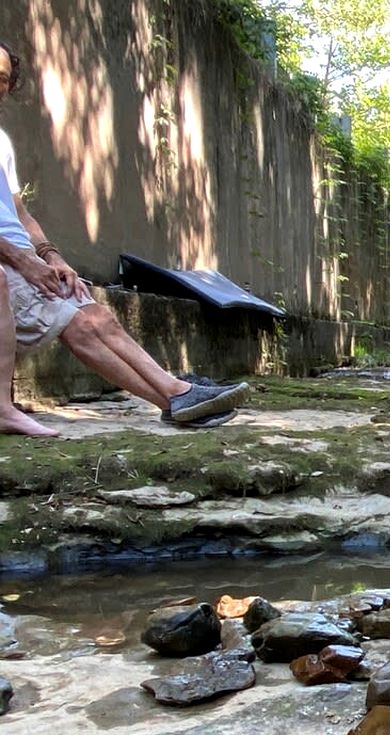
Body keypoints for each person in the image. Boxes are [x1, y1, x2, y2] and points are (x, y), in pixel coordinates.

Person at [0, 40, 248, 437]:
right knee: (78, 326)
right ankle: (176, 395)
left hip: (24, 255)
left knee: (98, 314)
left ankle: (178, 397)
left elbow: (20, 213)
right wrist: (22, 261)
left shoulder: (2, 143)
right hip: (7, 260)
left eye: (2, 79)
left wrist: (52, 256)